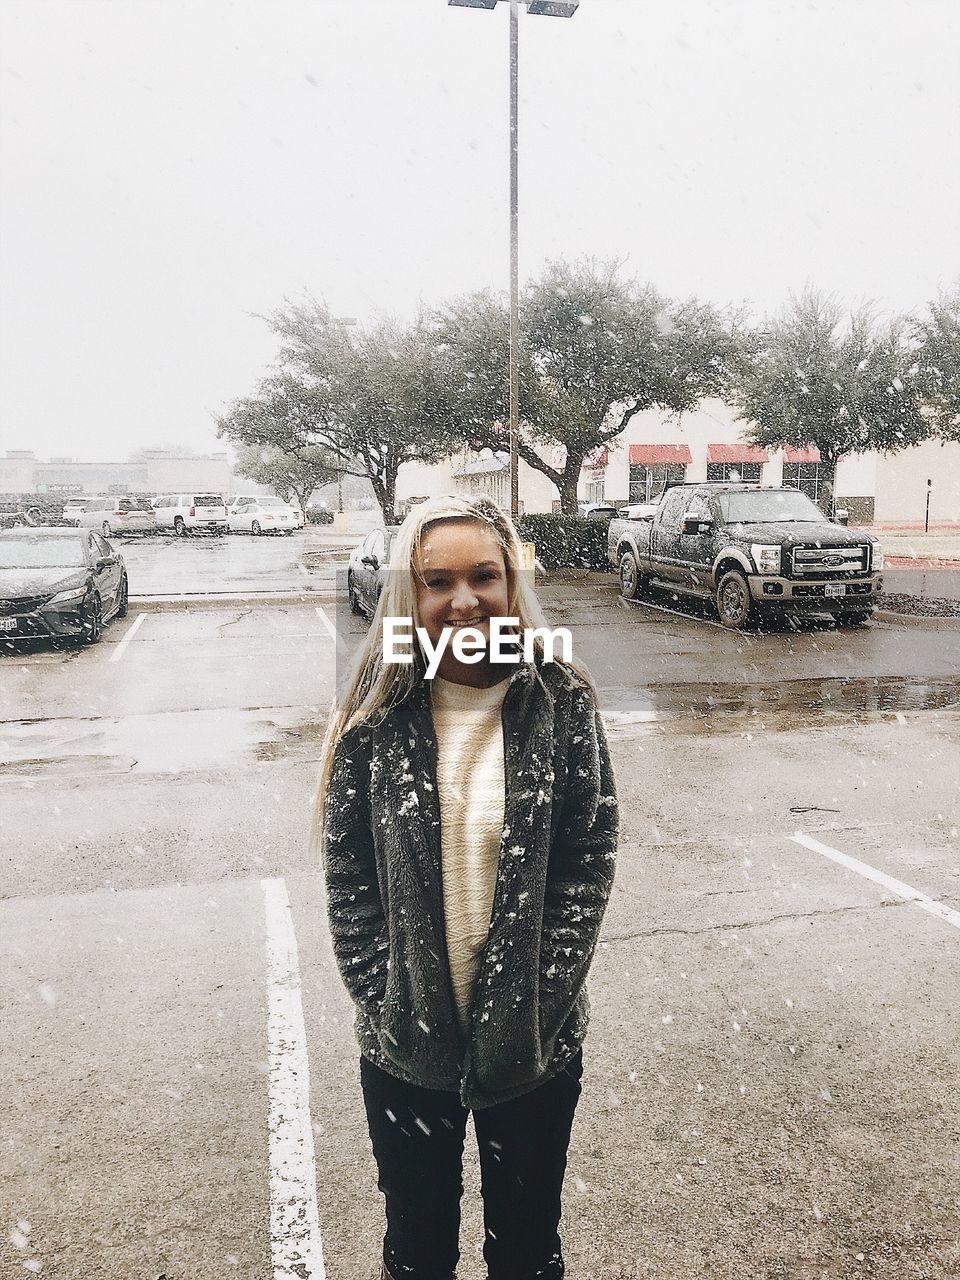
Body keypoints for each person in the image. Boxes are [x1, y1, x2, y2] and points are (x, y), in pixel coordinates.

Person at [315, 494, 618, 1280]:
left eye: (485, 574)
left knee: (525, 1251)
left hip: (534, 1049)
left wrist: (541, 1000)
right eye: (436, 579)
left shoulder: (561, 699)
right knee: (417, 1253)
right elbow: (348, 871)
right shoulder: (376, 715)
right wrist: (382, 995)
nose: (464, 598)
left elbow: (586, 858)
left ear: (513, 583)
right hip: (404, 1052)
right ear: (407, 595)